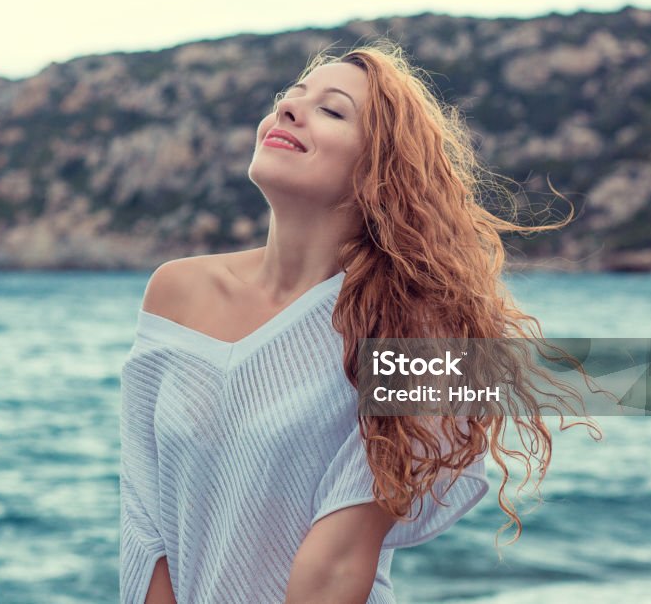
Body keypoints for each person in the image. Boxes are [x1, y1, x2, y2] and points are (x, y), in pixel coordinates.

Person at [120, 39, 599, 603]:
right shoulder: (176, 292)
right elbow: (144, 521)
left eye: (332, 110)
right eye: (289, 97)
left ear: (378, 171)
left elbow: (337, 563)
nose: (290, 110)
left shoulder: (413, 331)